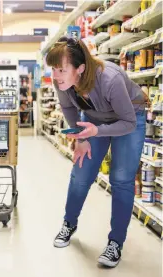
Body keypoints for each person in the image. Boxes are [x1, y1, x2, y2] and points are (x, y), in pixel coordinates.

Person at [46, 36, 147, 268]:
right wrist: (80, 137)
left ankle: (115, 243)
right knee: (81, 174)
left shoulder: (109, 79)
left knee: (121, 179)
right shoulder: (61, 82)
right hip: (93, 120)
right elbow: (68, 106)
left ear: (80, 69)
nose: (56, 75)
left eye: (61, 69)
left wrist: (96, 131)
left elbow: (128, 123)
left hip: (129, 117)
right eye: (53, 68)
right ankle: (68, 223)